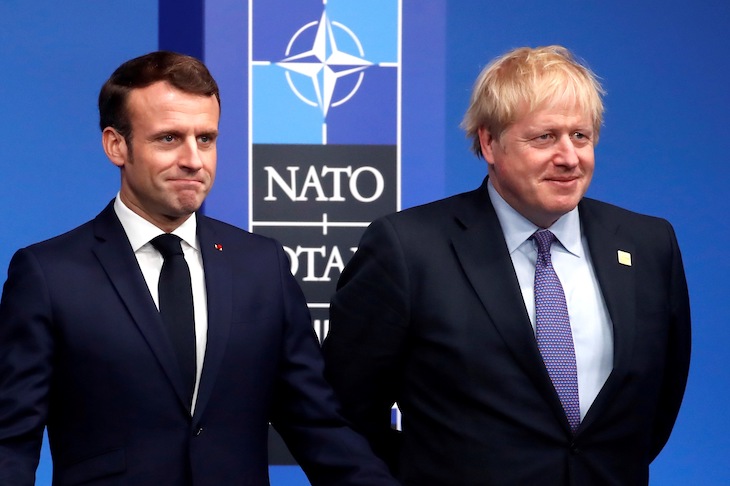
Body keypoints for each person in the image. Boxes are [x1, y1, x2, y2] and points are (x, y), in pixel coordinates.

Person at [0, 51, 399, 486]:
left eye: (205, 138)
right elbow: (10, 443)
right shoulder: (49, 274)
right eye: (169, 138)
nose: (194, 159)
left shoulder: (262, 265)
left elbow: (317, 424)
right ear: (116, 145)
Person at [322, 45, 691, 485]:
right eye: (544, 137)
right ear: (488, 143)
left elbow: (654, 409)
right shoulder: (408, 249)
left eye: (580, 135)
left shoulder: (648, 245)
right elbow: (343, 415)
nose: (569, 157)